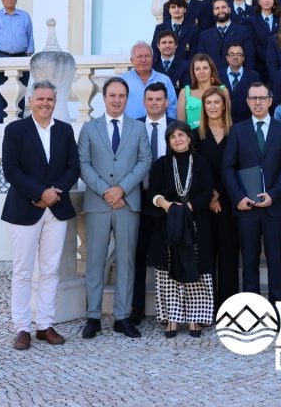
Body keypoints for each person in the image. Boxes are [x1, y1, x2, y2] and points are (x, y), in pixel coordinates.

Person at [0, 80, 79, 350]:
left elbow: (73, 167)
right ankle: (22, 327)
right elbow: (11, 170)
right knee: (22, 271)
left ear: (55, 101)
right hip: (25, 208)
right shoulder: (15, 130)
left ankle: (45, 325)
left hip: (56, 208)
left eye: (50, 100)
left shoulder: (65, 131)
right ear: (31, 100)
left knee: (50, 270)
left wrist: (54, 192)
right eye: (41, 99)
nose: (45, 104)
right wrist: (39, 193)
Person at [77, 77, 152, 339]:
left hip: (128, 202)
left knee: (126, 261)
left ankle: (122, 316)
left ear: (127, 98)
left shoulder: (138, 129)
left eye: (121, 96)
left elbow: (144, 162)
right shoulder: (89, 128)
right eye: (112, 95)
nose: (116, 100)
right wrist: (106, 191)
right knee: (95, 260)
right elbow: (84, 164)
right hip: (99, 203)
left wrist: (121, 189)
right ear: (104, 97)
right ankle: (93, 316)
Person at [222, 82, 281, 304]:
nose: (257, 102)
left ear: (270, 101)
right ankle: (253, 313)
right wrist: (238, 197)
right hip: (247, 207)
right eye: (253, 98)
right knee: (250, 263)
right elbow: (228, 167)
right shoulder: (238, 130)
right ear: (247, 102)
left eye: (262, 98)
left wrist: (273, 194)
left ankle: (276, 313)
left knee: (276, 262)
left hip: (275, 206)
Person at [147, 121, 215, 338]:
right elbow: (152, 193)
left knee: (196, 269)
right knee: (168, 273)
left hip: (196, 223)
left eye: (181, 135)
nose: (177, 139)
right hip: (168, 224)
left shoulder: (202, 163)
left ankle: (196, 319)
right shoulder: (161, 164)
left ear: (189, 137)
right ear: (168, 141)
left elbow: (207, 191)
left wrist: (188, 208)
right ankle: (172, 319)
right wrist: (167, 205)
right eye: (172, 136)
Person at [131, 82, 173, 325]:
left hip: (169, 204)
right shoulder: (134, 127)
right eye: (150, 99)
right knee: (138, 255)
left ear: (167, 102)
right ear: (145, 102)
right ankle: (136, 306)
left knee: (168, 255)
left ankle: (169, 310)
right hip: (140, 199)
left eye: (159, 99)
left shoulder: (179, 129)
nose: (155, 103)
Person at [196, 86, 239, 308]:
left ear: (224, 105)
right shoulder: (196, 135)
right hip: (204, 205)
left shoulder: (236, 133)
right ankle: (207, 308)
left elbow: (235, 167)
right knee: (206, 256)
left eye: (217, 102)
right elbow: (194, 171)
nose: (213, 107)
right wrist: (210, 197)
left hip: (229, 202)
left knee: (229, 256)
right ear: (204, 107)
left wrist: (219, 194)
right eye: (209, 103)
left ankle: (228, 308)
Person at [0, 0, 34, 123]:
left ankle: (19, 121)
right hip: (1, 57)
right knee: (1, 91)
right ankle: (2, 121)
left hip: (21, 57)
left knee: (20, 91)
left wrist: (28, 54)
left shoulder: (25, 16)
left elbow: (30, 37)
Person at [121, 42, 178, 119]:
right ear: (131, 60)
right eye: (139, 56)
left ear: (152, 59)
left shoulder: (165, 80)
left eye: (147, 56)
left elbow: (172, 108)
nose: (143, 60)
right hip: (131, 129)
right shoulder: (122, 81)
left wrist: (169, 128)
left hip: (159, 128)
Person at [198, 0, 255, 72]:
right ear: (213, 12)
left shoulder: (243, 31)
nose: (221, 10)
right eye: (217, 8)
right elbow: (201, 61)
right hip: (213, 80)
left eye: (223, 7)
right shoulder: (204, 35)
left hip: (237, 80)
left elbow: (249, 58)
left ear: (229, 9)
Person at [177, 54, 228, 129]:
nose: (201, 72)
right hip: (192, 137)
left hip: (216, 136)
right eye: (197, 69)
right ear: (193, 72)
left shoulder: (223, 90)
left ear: (211, 69)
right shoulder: (184, 92)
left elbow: (227, 119)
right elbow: (181, 124)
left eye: (205, 68)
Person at [218, 42, 259, 125]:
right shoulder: (217, 76)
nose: (235, 57)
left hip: (246, 124)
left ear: (243, 58)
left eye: (239, 54)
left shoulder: (254, 76)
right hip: (222, 124)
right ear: (227, 57)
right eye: (232, 54)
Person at [153, 0, 199, 66]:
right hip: (164, 70)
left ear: (185, 9)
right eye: (173, 7)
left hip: (186, 70)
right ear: (169, 10)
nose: (176, 10)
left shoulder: (194, 30)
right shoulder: (160, 28)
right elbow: (155, 50)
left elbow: (194, 52)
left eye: (180, 7)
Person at [247, 0, 279, 80]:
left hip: (278, 65)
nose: (267, 0)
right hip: (259, 67)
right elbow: (254, 44)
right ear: (259, 1)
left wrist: (275, 60)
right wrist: (269, 59)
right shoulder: (250, 21)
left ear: (274, 2)